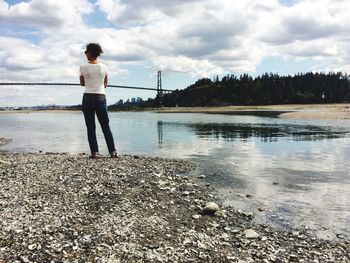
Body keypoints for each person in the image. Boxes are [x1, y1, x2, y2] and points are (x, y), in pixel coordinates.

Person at [79, 43, 117, 158]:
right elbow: (105, 84)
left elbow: (82, 83)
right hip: (101, 97)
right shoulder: (104, 67)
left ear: (90, 52)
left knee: (91, 127)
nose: (85, 54)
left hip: (88, 97)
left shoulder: (83, 67)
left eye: (86, 52)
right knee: (105, 126)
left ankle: (95, 153)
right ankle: (113, 152)